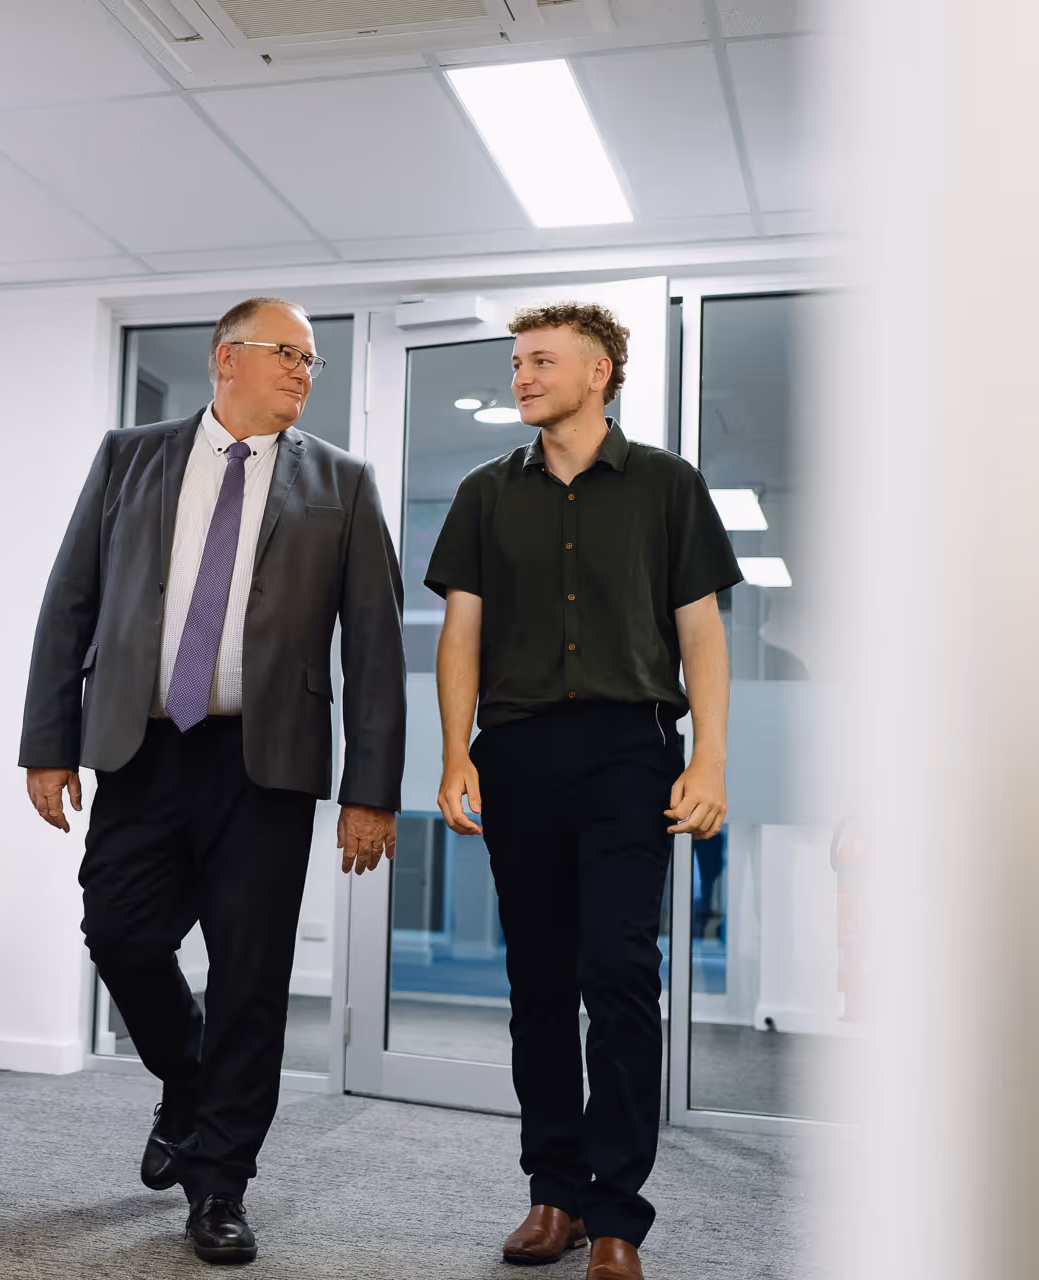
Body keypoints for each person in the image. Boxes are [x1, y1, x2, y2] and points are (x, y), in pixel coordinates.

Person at [20, 298, 406, 1264]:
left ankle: (220, 1183)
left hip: (264, 763)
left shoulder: (341, 484)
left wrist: (371, 790)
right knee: (118, 931)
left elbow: (376, 646)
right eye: (290, 355)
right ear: (225, 357)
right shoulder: (130, 456)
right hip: (143, 749)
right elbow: (70, 602)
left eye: (313, 362)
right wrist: (46, 743)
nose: (305, 374)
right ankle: (187, 1081)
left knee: (250, 977)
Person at [427, 303, 739, 1280]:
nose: (520, 374)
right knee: (538, 982)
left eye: (541, 360)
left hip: (627, 751)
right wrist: (455, 751)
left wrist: (711, 759)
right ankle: (552, 1193)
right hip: (517, 751)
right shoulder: (486, 492)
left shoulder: (666, 487)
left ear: (599, 372)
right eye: (517, 360)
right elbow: (462, 632)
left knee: (617, 968)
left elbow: (702, 635)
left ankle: (617, 1212)